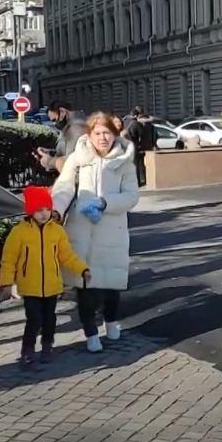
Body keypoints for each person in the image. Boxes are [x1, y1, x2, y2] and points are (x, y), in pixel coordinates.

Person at [52, 112, 141, 353]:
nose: (103, 138)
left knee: (111, 286)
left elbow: (132, 196)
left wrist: (105, 203)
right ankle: (91, 332)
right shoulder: (77, 159)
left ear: (114, 134)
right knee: (86, 286)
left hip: (112, 232)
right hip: (82, 232)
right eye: (98, 133)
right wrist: (56, 211)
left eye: (107, 133)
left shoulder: (124, 162)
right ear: (89, 135)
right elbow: (64, 187)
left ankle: (111, 321)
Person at [0, 186, 92, 368]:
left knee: (50, 319)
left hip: (51, 285)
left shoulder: (57, 232)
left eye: (47, 209)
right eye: (39, 210)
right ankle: (27, 349)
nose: (44, 214)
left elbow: (66, 256)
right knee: (34, 319)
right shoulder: (19, 232)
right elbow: (8, 260)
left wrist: (82, 269)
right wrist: (7, 283)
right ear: (30, 211)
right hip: (29, 286)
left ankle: (47, 345)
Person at [35, 100, 87, 172]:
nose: (54, 124)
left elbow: (73, 163)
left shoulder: (76, 129)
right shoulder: (69, 127)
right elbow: (68, 150)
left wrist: (50, 162)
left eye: (54, 120)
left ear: (62, 112)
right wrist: (50, 153)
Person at [125, 107, 157, 187]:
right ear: (137, 115)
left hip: (126, 146)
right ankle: (137, 183)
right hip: (134, 146)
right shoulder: (137, 124)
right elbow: (142, 135)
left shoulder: (126, 122)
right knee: (137, 165)